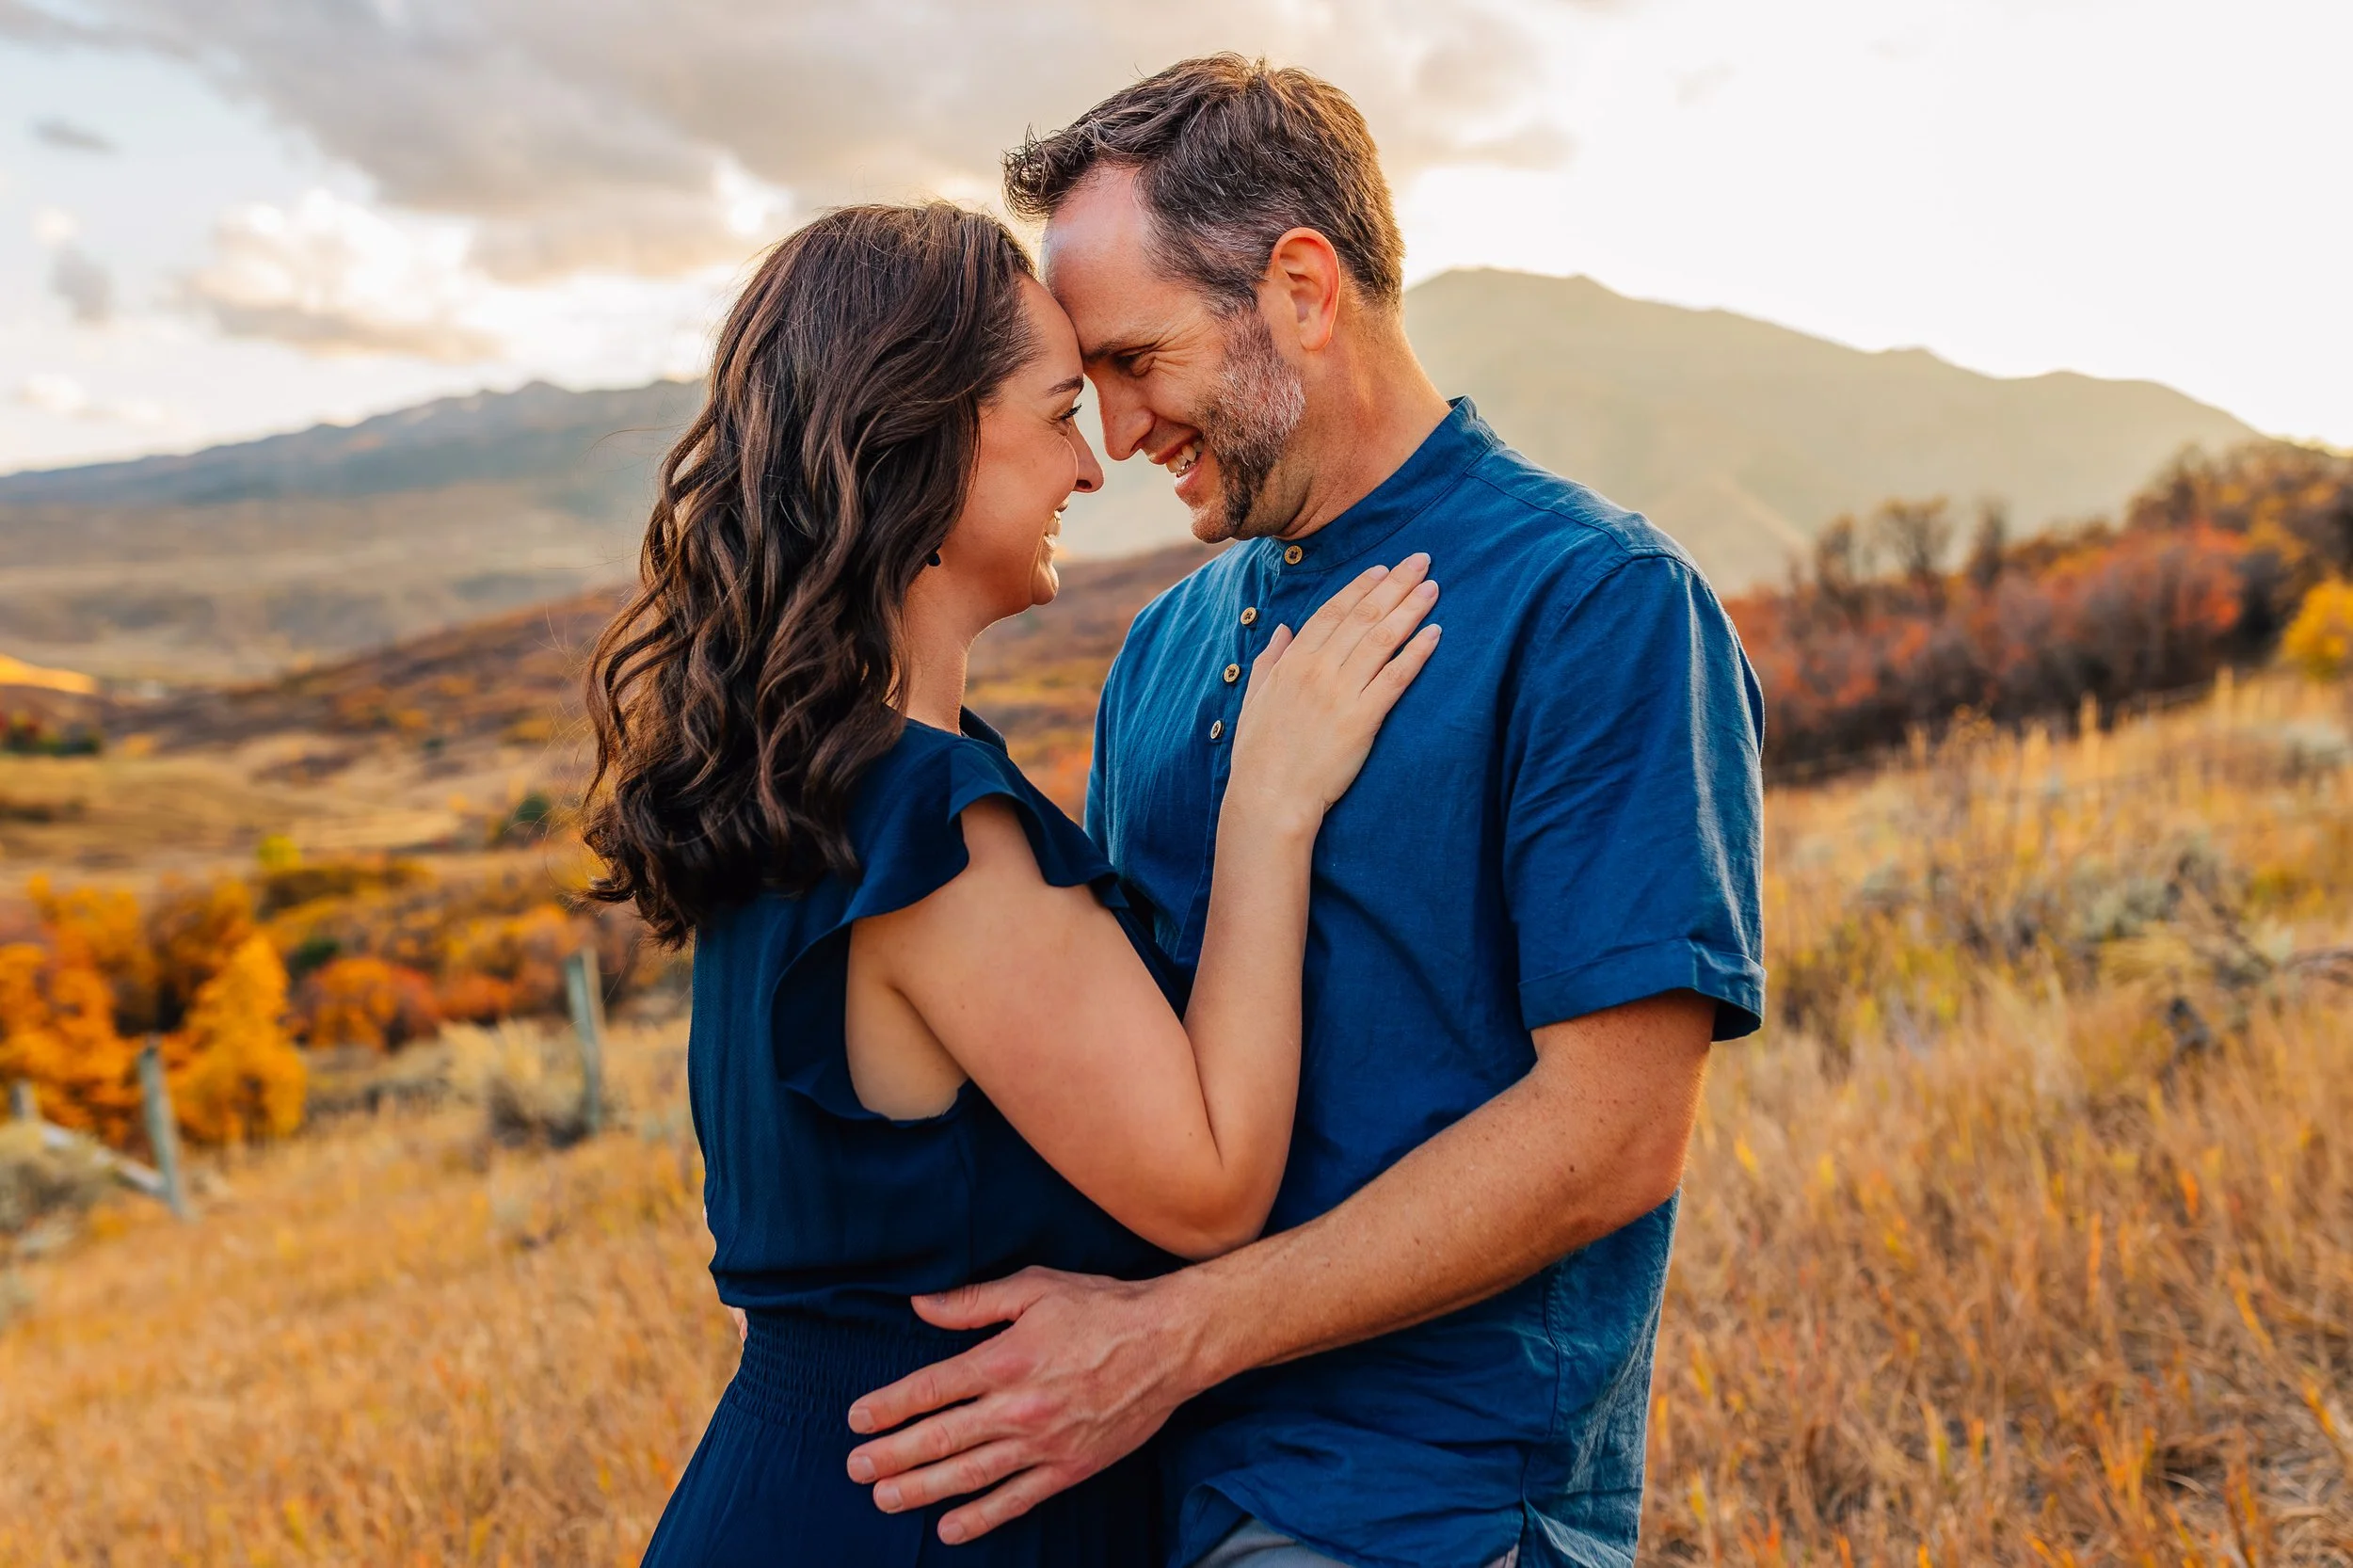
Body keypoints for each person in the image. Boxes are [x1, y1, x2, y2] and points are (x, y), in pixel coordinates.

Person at [841, 57, 1767, 1568]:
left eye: (1140, 360)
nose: (1121, 433)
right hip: (1133, 1484)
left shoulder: (1596, 606)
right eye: (1092, 381)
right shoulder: (1164, 645)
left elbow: (1614, 1135)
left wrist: (1173, 1338)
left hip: (1413, 1508)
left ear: (1301, 289)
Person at [582, 201, 1441, 1564]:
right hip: (917, 1522)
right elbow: (1213, 1184)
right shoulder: (934, 832)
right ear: (918, 443)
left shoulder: (794, 790)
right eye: (1055, 415)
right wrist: (1269, 810)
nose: (1092, 469)